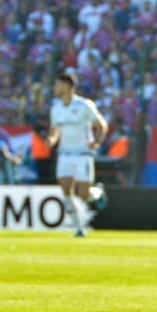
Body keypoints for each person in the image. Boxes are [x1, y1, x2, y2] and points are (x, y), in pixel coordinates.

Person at [46, 72, 108, 237]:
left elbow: (101, 125)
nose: (55, 88)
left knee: (83, 195)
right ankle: (79, 228)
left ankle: (98, 192)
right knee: (66, 191)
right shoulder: (56, 108)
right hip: (65, 154)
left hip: (83, 154)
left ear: (67, 87)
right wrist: (52, 140)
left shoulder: (84, 106)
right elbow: (55, 130)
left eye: (58, 84)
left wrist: (97, 142)